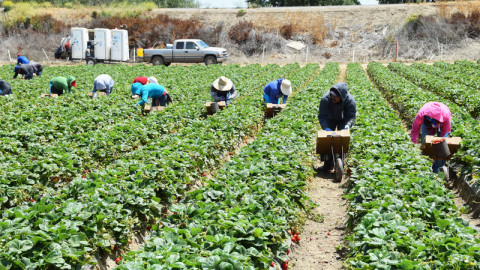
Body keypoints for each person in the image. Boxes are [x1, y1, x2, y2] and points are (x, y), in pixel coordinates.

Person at [317, 82, 357, 172]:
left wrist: (347, 125)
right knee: (327, 138)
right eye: (331, 95)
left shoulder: (350, 100)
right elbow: (322, 116)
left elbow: (351, 115)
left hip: (343, 119)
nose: (332, 98)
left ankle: (340, 162)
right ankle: (328, 164)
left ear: (341, 96)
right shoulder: (325, 99)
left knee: (342, 139)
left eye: (335, 96)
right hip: (329, 118)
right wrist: (326, 127)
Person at [411, 102, 452, 174]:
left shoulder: (445, 115)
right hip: (426, 123)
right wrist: (414, 143)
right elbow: (415, 130)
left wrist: (442, 144)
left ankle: (437, 168)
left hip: (441, 124)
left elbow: (446, 131)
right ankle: (426, 160)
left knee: (442, 146)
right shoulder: (421, 115)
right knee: (425, 140)